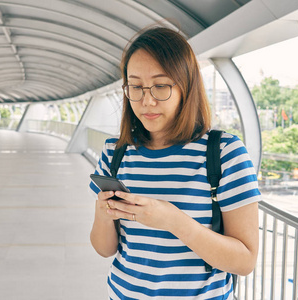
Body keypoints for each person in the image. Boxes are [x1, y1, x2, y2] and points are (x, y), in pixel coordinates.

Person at [89, 26, 261, 299]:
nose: (147, 101)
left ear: (186, 86)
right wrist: (103, 211)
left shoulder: (224, 153)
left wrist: (173, 220)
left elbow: (244, 261)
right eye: (135, 87)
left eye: (160, 86)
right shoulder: (115, 152)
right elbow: (104, 248)